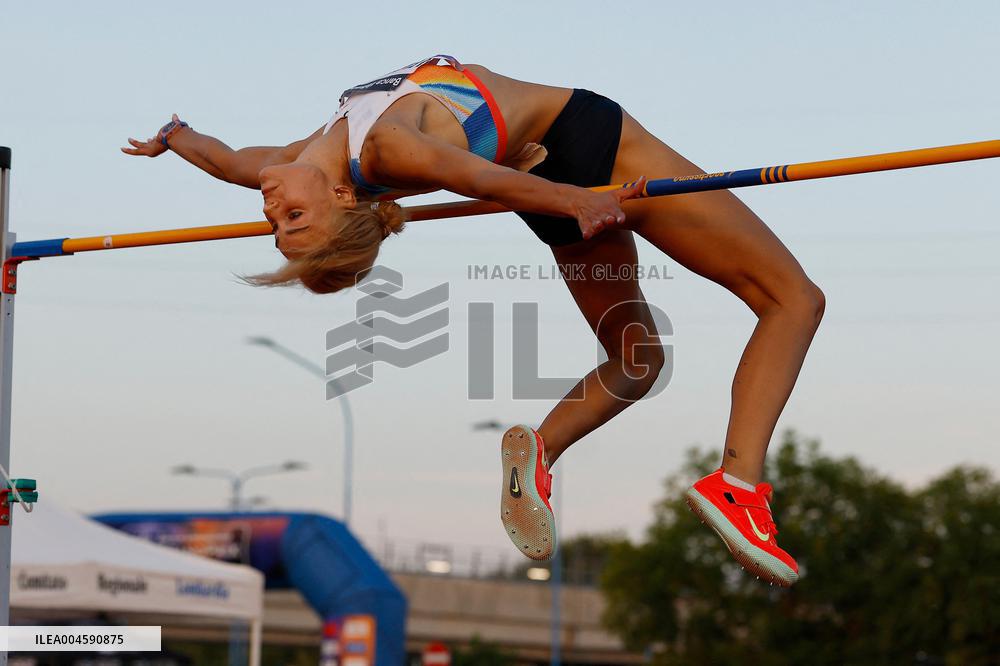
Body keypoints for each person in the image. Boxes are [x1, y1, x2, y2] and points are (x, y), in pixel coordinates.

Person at [123, 55, 824, 586]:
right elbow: (479, 181)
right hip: (580, 150)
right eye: (293, 219)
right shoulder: (385, 150)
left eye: (278, 223)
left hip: (544, 184)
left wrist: (174, 136)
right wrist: (574, 201)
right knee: (792, 299)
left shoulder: (290, 165)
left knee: (635, 360)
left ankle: (541, 453)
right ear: (342, 196)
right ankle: (738, 482)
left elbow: (227, 161)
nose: (274, 207)